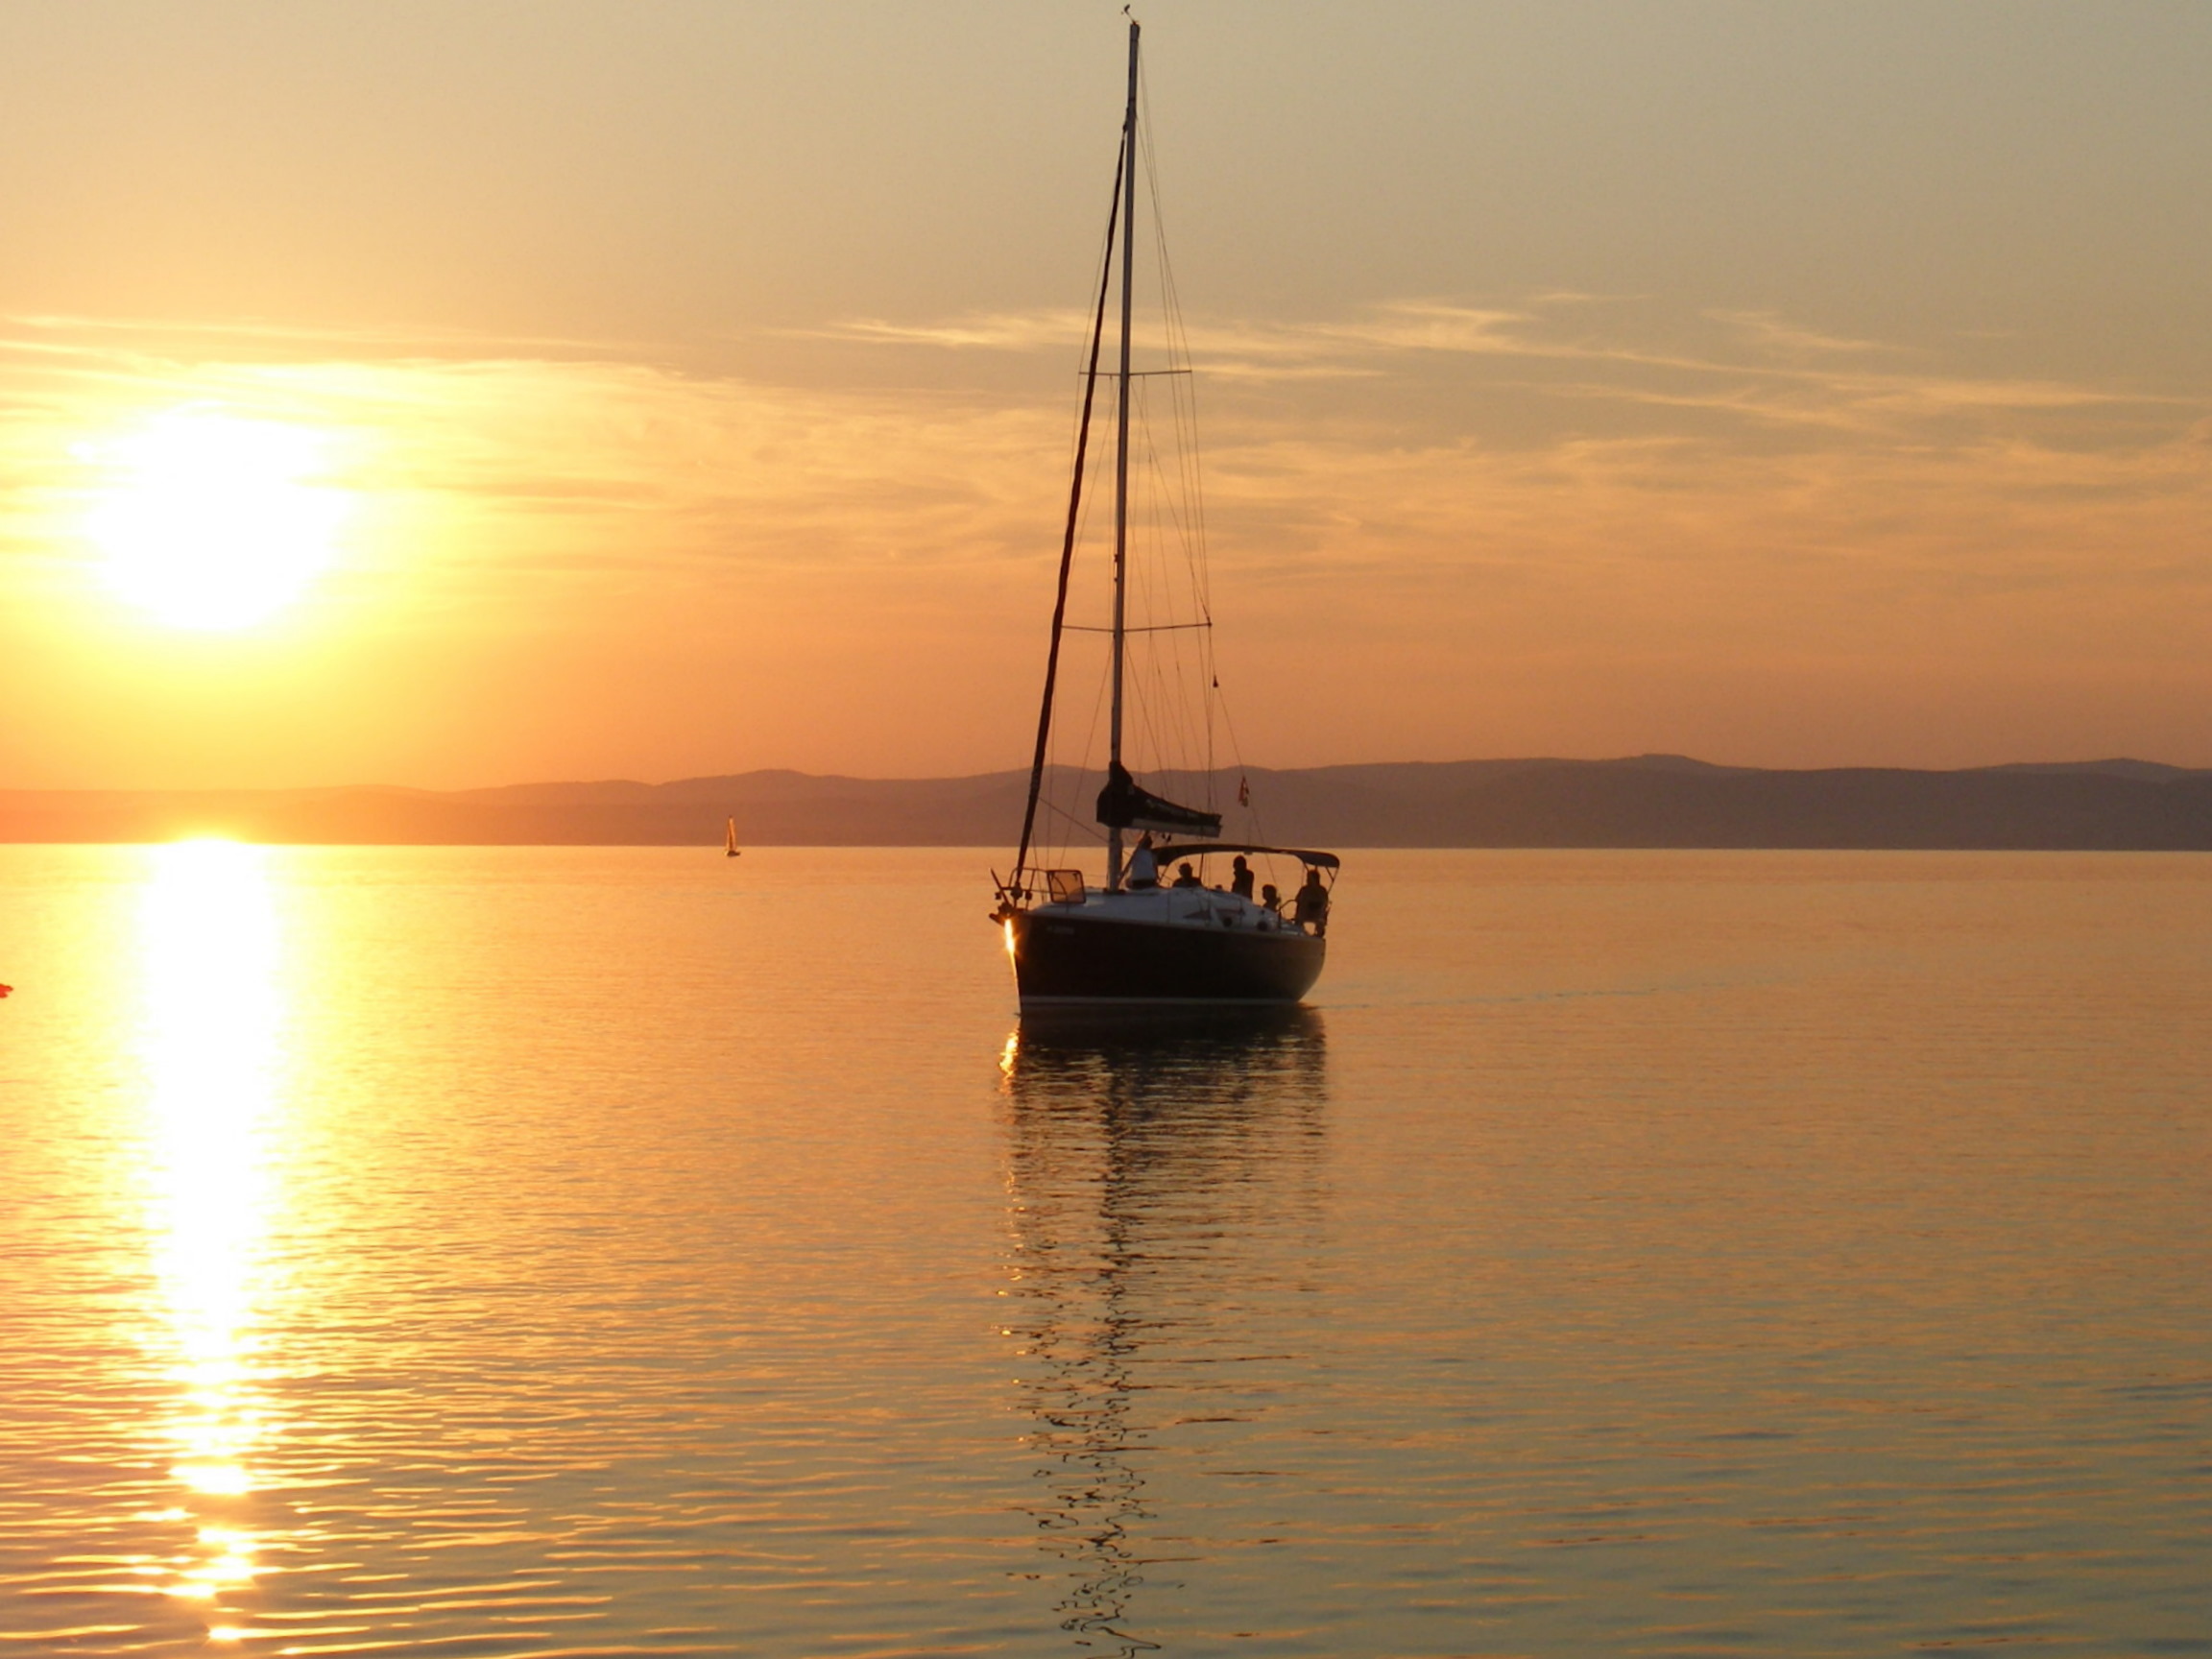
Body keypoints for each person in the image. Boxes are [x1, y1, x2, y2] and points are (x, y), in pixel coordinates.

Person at [1292, 866, 1330, 931]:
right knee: (1301, 905)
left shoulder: (1321, 890)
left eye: (1309, 879)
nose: (1307, 880)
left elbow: (1325, 900)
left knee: (1321, 910)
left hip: (1317, 911)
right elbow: (1297, 899)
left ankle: (1319, 930)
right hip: (1305, 910)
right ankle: (1298, 927)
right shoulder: (1304, 889)